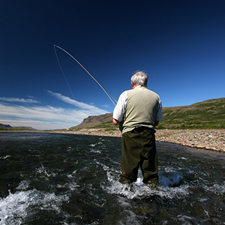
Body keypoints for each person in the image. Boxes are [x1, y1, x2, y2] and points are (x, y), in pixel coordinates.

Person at [113, 71, 163, 186]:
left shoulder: (125, 94)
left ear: (132, 83)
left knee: (128, 170)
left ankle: (125, 196)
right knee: (150, 170)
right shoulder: (156, 97)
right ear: (146, 83)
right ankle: (154, 192)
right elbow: (156, 122)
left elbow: (115, 121)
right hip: (149, 135)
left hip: (130, 135)